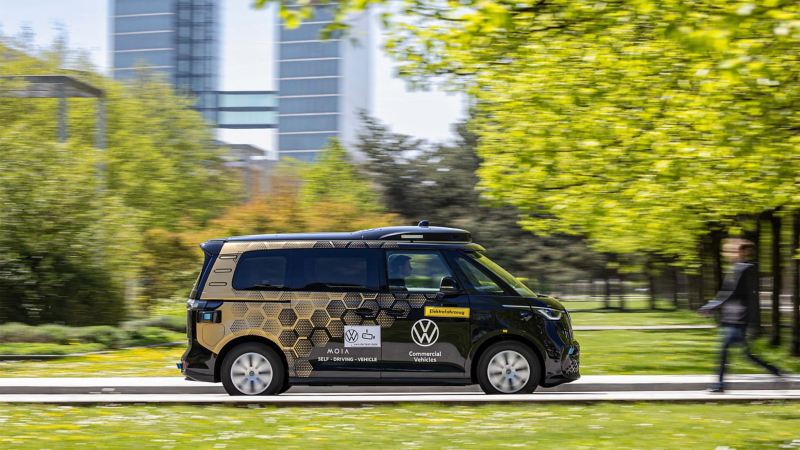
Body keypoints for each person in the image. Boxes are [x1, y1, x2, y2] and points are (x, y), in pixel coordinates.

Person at [699, 239, 784, 392]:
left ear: (743, 252)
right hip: (732, 317)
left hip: (739, 317)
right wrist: (712, 306)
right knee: (746, 355)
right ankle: (776, 371)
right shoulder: (736, 268)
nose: (728, 254)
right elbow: (726, 293)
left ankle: (719, 385)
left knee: (724, 351)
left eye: (733, 251)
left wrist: (711, 306)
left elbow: (731, 294)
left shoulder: (745, 269)